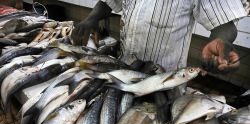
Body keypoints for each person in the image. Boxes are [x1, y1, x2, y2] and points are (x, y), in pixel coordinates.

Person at [71, 0, 249, 74]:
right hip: (124, 70)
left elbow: (225, 24)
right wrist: (91, 18)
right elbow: (109, 1)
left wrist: (220, 41)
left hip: (164, 79)